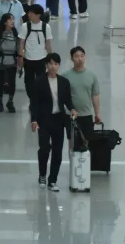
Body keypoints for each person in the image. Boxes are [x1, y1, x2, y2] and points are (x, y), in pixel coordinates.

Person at [31, 53, 77, 192]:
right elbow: (34, 103)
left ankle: (53, 180)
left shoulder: (64, 82)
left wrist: (73, 109)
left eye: (56, 64)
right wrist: (34, 120)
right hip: (44, 120)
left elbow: (67, 100)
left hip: (59, 119)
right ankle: (42, 175)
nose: (53, 66)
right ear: (46, 64)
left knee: (57, 151)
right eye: (50, 63)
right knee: (44, 148)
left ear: (59, 65)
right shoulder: (39, 81)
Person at [62, 46, 101, 149]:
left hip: (87, 114)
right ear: (72, 59)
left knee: (87, 141)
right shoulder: (65, 76)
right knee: (72, 141)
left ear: (85, 57)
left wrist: (97, 113)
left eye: (82, 56)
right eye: (76, 56)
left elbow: (95, 95)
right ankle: (73, 163)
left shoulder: (92, 76)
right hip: (70, 115)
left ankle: (85, 164)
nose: (80, 58)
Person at [18, 4, 53, 99]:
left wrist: (51, 58)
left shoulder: (46, 27)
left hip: (41, 59)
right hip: (28, 59)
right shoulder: (25, 26)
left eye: (32, 13)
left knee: (41, 81)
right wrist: (20, 57)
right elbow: (21, 43)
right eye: (29, 12)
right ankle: (32, 99)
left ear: (38, 15)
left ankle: (38, 99)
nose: (29, 14)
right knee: (28, 81)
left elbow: (48, 44)